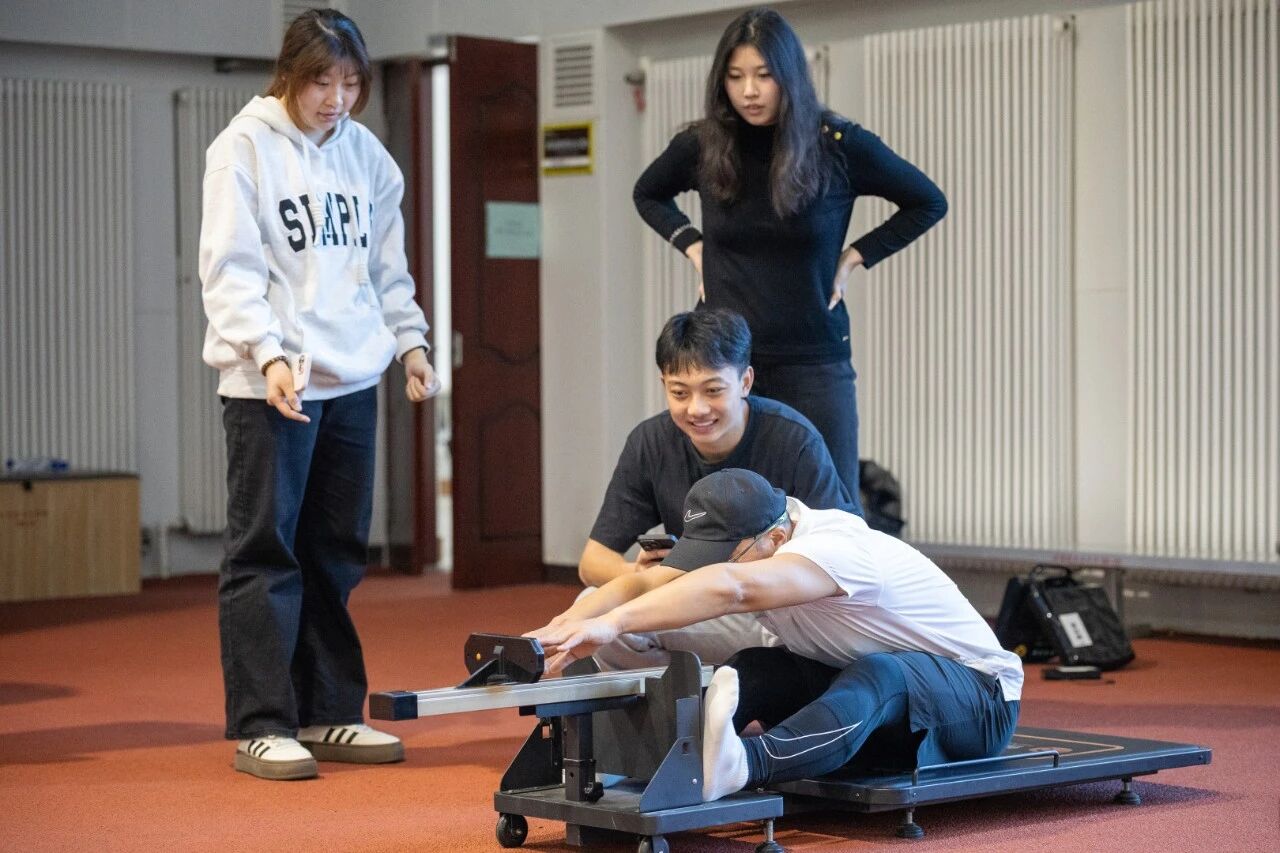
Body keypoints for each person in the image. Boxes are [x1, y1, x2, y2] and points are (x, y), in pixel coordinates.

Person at [200, 9, 440, 781]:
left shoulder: (368, 156)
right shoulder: (242, 148)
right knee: (266, 550)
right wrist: (267, 353)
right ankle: (263, 723)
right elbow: (229, 273)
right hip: (270, 380)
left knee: (335, 551)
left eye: (350, 83)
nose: (336, 99)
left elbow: (387, 268)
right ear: (289, 76)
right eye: (321, 82)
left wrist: (410, 343)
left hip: (354, 377)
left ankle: (329, 708)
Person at [531, 469, 1022, 802]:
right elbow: (643, 582)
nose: (713, 567)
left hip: (980, 702)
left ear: (777, 539)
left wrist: (614, 625)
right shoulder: (760, 539)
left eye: (726, 555)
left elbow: (735, 587)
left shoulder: (835, 548)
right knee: (756, 666)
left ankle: (745, 764)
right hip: (878, 707)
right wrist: (560, 628)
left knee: (882, 674)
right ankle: (678, 755)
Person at [633, 7, 948, 508]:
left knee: (833, 512)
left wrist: (855, 256)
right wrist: (693, 245)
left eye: (764, 75)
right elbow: (648, 193)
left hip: (813, 357)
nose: (749, 91)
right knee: (730, 512)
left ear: (790, 77)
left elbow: (927, 201)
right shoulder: (703, 145)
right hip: (727, 363)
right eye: (735, 77)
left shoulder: (837, 145)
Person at [580, 308, 854, 669]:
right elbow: (593, 561)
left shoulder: (794, 439)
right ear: (663, 385)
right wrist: (643, 577)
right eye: (680, 393)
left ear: (745, 382)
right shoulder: (650, 442)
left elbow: (843, 553)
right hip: (696, 605)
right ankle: (683, 697)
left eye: (713, 390)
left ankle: (725, 688)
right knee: (592, 604)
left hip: (777, 612)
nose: (697, 409)